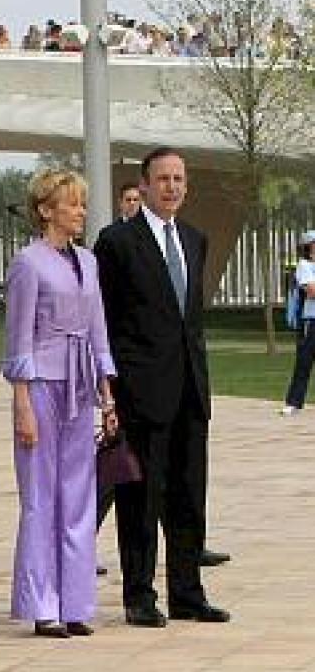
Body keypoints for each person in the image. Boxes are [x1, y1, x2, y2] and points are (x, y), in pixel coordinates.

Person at [93, 147, 230, 627]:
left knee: (189, 494)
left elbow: (188, 321)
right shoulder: (117, 243)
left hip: (191, 389)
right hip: (141, 390)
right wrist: (109, 388)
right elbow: (105, 320)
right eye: (163, 179)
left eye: (179, 179)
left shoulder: (194, 240)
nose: (172, 186)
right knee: (140, 497)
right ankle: (139, 596)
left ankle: (188, 593)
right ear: (144, 185)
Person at [2, 170, 118, 638]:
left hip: (81, 386)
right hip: (43, 384)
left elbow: (98, 329)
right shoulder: (28, 263)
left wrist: (107, 394)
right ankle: (41, 602)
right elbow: (17, 335)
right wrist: (22, 403)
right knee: (40, 495)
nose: (80, 212)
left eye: (82, 204)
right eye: (71, 204)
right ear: (46, 209)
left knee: (79, 495)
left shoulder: (88, 262)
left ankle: (76, 602)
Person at [280, 230, 315, 414]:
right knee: (304, 362)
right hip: (310, 321)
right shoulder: (304, 265)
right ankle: (294, 402)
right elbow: (311, 291)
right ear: (309, 246)